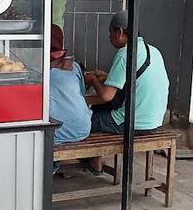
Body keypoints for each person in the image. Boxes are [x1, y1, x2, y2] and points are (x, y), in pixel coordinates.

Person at [83, 10, 169, 175]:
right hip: (155, 120)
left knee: (85, 120)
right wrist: (109, 76)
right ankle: (96, 158)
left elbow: (106, 96)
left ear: (120, 32)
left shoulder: (124, 54)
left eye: (111, 33)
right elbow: (136, 78)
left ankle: (95, 161)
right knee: (100, 111)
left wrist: (93, 80)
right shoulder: (153, 51)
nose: (109, 38)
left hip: (133, 123)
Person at [49, 24, 92, 153]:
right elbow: (82, 96)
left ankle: (53, 165)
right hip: (83, 129)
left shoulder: (39, 71)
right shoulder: (74, 67)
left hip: (56, 133)